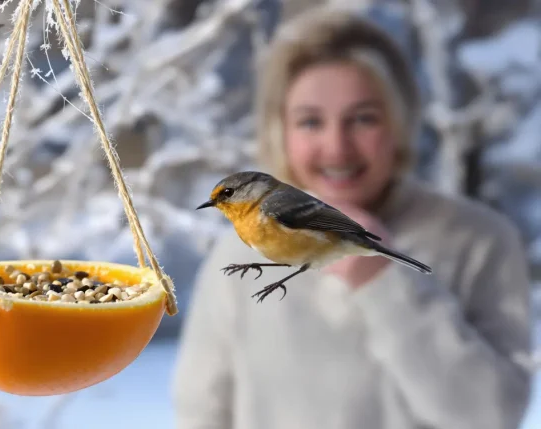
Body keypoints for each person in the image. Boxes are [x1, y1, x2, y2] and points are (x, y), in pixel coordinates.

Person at [172, 6, 533, 429]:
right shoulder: (233, 251)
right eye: (310, 121)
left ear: (401, 123)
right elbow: (199, 411)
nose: (337, 147)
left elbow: (493, 416)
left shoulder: (481, 240)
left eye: (363, 118)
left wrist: (383, 282)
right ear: (279, 129)